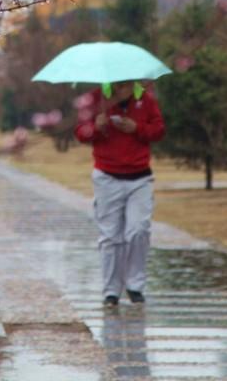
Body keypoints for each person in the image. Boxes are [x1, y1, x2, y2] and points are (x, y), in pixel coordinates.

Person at [73, 79, 165, 307]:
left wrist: (137, 129)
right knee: (111, 236)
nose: (122, 87)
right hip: (107, 177)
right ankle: (111, 291)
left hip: (140, 177)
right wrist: (97, 127)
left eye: (126, 83)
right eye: (118, 83)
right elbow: (81, 133)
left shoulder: (145, 99)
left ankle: (135, 285)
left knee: (138, 230)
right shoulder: (96, 99)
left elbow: (159, 130)